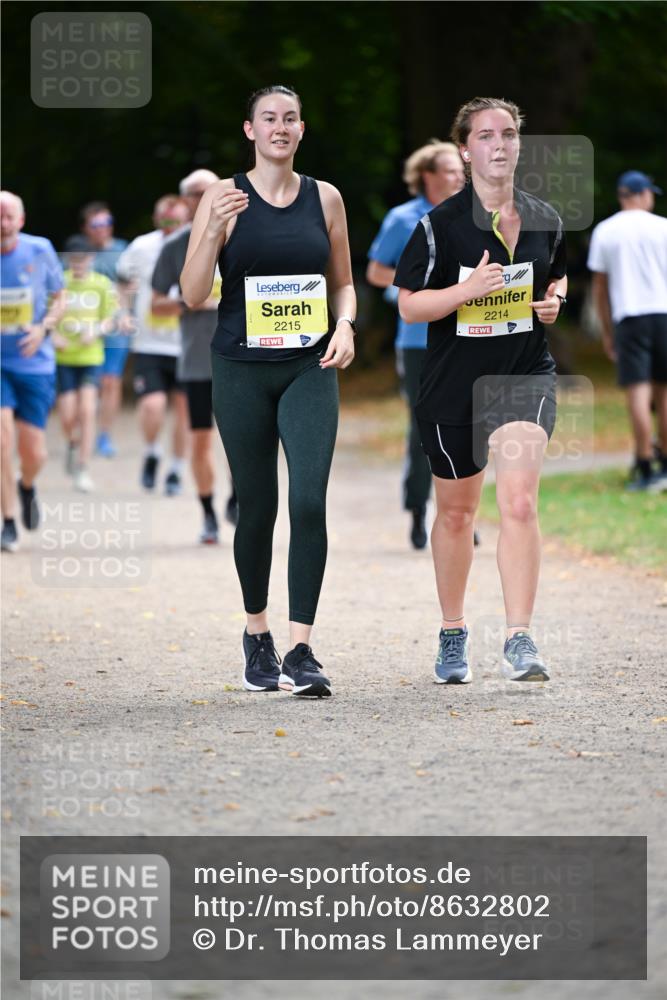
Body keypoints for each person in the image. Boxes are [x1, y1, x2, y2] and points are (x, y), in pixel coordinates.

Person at [181, 85, 355, 697]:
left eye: (289, 119)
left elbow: (344, 283)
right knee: (258, 506)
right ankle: (257, 633)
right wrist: (212, 232)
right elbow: (193, 292)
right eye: (268, 119)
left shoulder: (325, 197)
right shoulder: (221, 195)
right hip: (241, 369)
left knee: (308, 501)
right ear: (250, 130)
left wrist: (347, 324)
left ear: (301, 130)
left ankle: (301, 647)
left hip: (309, 365)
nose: (279, 127)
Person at [395, 97, 567, 684]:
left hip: (523, 374)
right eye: (486, 136)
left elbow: (556, 273)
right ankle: (452, 632)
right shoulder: (437, 227)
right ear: (465, 151)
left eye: (509, 134)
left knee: (518, 501)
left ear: (520, 144)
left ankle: (520, 637)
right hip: (453, 384)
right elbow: (410, 305)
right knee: (456, 512)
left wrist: (554, 301)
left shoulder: (545, 215)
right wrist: (466, 293)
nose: (500, 144)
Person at [367, 141, 465, 549]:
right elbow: (375, 271)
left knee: (466, 426)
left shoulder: (473, 215)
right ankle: (418, 509)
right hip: (418, 339)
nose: (459, 177)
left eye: (461, 171)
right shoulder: (402, 218)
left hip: (467, 334)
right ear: (427, 175)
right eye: (449, 170)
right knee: (424, 425)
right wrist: (412, 291)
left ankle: (460, 512)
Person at [152, 170, 238, 544]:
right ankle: (207, 513)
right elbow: (156, 304)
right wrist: (189, 301)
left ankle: (239, 498)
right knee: (201, 441)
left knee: (243, 440)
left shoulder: (245, 238)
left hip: (241, 359)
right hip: (198, 360)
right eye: (196, 194)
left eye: (211, 192)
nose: (204, 198)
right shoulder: (175, 248)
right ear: (185, 202)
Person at [587, 170, 667, 492]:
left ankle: (644, 462)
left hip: (630, 316)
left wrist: (607, 332)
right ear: (644, 193)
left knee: (638, 391)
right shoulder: (663, 227)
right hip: (664, 314)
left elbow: (600, 288)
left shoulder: (606, 231)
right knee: (664, 391)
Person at [1, 191, 66, 552]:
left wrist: (43, 328)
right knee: (2, 441)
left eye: (8, 216)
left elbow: (61, 297)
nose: (3, 223)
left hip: (34, 363)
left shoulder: (39, 249)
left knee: (34, 453)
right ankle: (8, 521)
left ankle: (27, 486)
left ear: (20, 221)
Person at [116, 195, 191, 495]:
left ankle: (176, 469)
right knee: (152, 405)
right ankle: (152, 451)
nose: (172, 225)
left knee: (186, 412)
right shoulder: (141, 246)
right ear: (156, 219)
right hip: (149, 342)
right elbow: (122, 282)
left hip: (189, 343)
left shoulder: (200, 244)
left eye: (178, 219)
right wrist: (123, 312)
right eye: (166, 219)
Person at [65, 201, 129, 457]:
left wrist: (123, 313)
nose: (103, 229)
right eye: (96, 224)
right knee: (85, 383)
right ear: (85, 228)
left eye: (107, 223)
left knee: (111, 381)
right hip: (82, 327)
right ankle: (81, 431)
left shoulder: (123, 250)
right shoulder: (77, 252)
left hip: (113, 325)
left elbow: (128, 287)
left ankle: (104, 435)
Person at [54, 251, 117, 492]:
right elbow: (44, 314)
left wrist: (97, 330)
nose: (79, 264)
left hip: (91, 357)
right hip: (64, 357)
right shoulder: (60, 281)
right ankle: (72, 443)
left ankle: (82, 467)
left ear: (91, 260)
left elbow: (110, 318)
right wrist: (52, 334)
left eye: (83, 259)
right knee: (68, 415)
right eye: (75, 260)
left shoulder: (101, 284)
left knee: (88, 410)